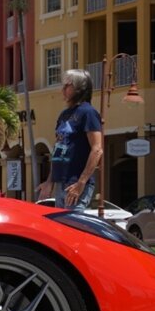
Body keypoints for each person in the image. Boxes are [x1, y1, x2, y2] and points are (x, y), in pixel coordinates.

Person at [39, 69, 103, 208]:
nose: (63, 89)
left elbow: (97, 149)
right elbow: (57, 150)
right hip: (61, 183)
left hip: (76, 184)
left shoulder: (88, 113)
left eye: (67, 85)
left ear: (79, 88)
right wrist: (50, 181)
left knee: (72, 227)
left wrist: (81, 183)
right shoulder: (64, 115)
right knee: (60, 229)